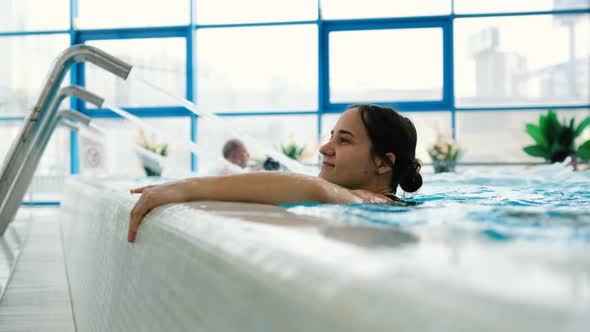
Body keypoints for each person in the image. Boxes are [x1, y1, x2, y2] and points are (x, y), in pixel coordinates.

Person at [128, 104, 423, 243]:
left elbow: (315, 190)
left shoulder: (372, 202)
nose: (324, 148)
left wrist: (182, 188)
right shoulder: (382, 207)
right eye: (331, 136)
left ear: (384, 163)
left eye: (344, 140)